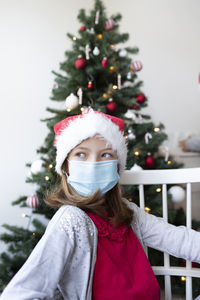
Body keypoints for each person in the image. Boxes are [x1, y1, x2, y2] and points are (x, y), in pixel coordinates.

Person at [1, 109, 200, 300]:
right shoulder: (70, 220)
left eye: (105, 154)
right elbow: (22, 291)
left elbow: (179, 239)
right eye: (81, 154)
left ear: (117, 166)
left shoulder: (129, 213)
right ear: (66, 166)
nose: (93, 163)